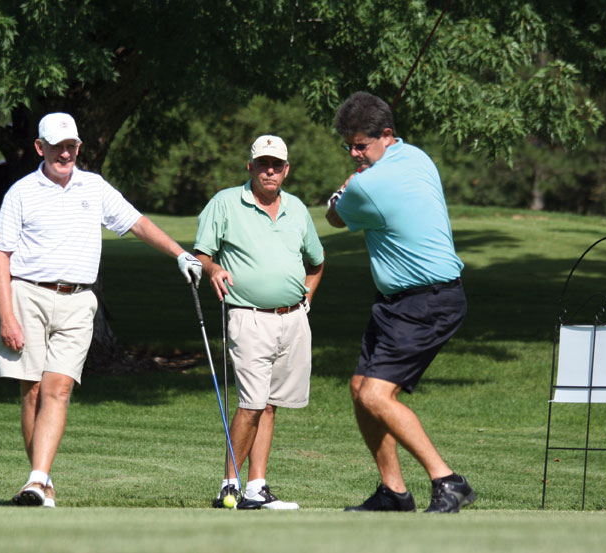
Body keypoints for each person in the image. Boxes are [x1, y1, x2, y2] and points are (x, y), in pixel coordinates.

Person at [0, 112, 203, 508]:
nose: (66, 153)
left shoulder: (94, 187)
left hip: (78, 300)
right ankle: (42, 480)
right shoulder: (21, 192)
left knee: (59, 387)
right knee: (33, 392)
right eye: (58, 147)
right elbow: (0, 256)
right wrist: (6, 315)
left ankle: (35, 481)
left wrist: (179, 253)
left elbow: (136, 223)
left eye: (72, 146)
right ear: (40, 148)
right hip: (27, 296)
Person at [325, 92, 475, 514]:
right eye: (349, 146)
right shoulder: (418, 157)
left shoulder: (368, 186)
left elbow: (335, 217)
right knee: (360, 389)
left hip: (424, 301)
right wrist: (360, 176)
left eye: (360, 145)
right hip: (402, 302)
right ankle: (394, 492)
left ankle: (448, 481)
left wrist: (342, 191)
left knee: (375, 395)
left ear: (386, 136)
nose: (355, 153)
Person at [194, 135, 325, 510]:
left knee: (270, 404)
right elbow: (202, 252)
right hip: (248, 317)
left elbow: (316, 261)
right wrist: (213, 267)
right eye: (263, 163)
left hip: (292, 320)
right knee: (251, 403)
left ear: (286, 170)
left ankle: (257, 487)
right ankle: (229, 485)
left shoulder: (297, 209)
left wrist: (307, 298)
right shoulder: (225, 203)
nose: (270, 170)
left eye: (277, 164)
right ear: (250, 167)